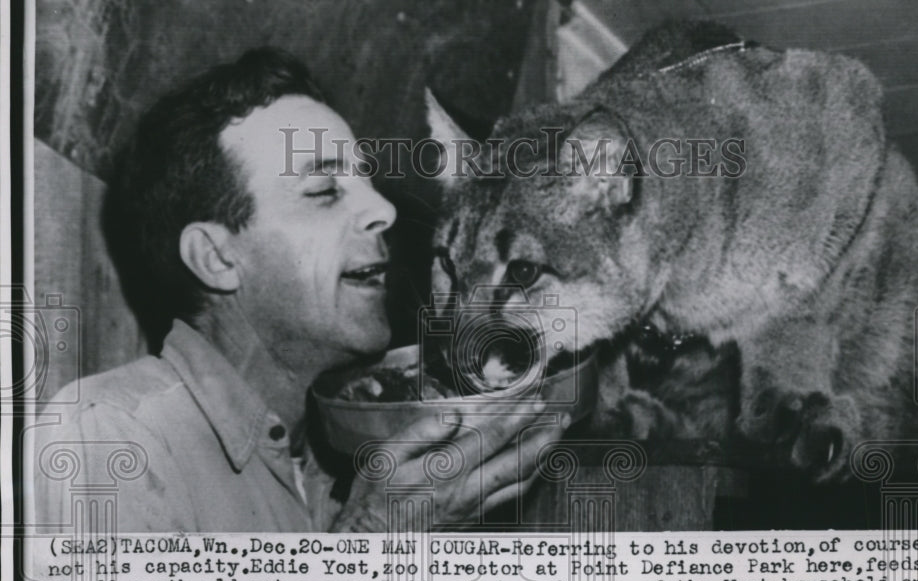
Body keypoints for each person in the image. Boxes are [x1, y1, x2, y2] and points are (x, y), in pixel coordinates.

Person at [31, 48, 556, 533]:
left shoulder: (341, 470)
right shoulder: (110, 435)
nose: (384, 210)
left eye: (366, 181)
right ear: (217, 259)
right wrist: (375, 539)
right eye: (325, 191)